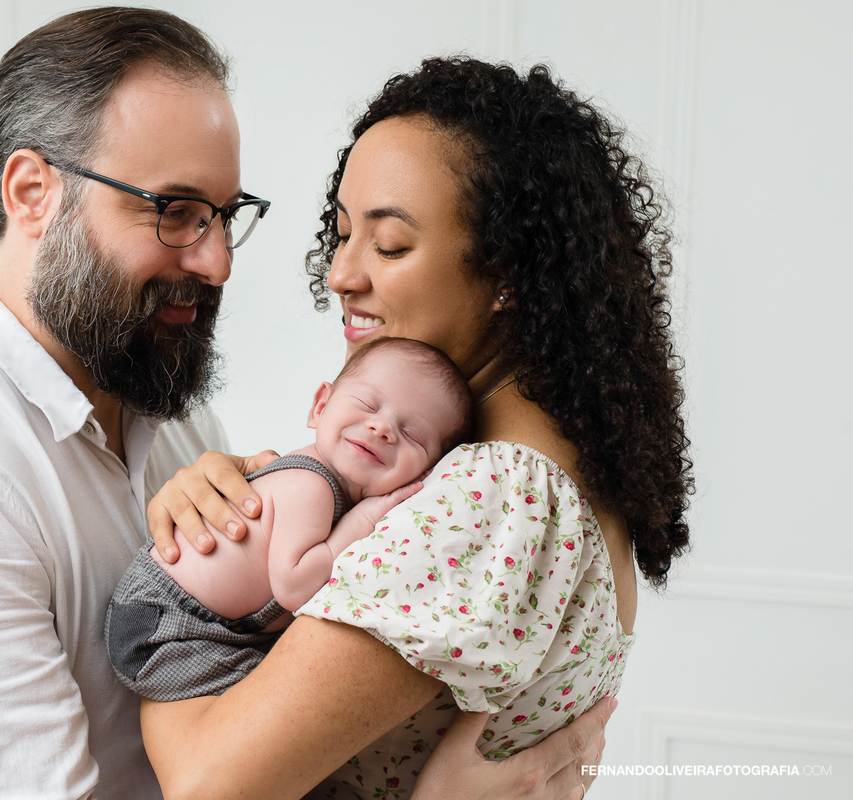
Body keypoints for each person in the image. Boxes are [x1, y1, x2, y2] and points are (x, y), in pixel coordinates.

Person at [0, 6, 608, 797]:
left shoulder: (176, 419)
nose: (216, 260)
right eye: (174, 212)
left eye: (224, 215)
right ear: (32, 192)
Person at [142, 56, 691, 800]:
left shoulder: (495, 496)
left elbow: (207, 787)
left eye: (390, 244)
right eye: (340, 235)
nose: (341, 274)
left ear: (508, 271)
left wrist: (173, 609)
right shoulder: (540, 473)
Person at [107, 337, 474, 702]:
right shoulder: (311, 486)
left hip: (196, 624)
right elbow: (294, 586)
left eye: (412, 435)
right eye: (367, 404)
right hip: (165, 626)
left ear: (426, 473)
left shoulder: (323, 488)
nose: (382, 428)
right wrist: (363, 520)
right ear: (320, 406)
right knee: (277, 700)